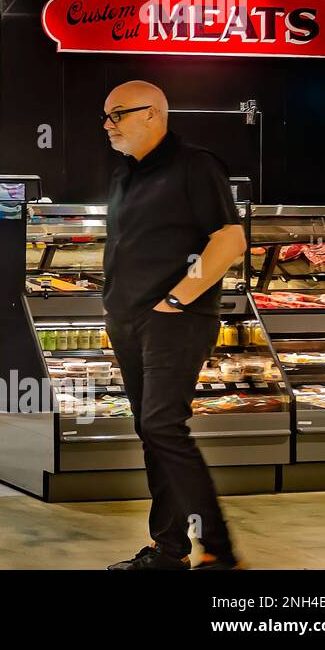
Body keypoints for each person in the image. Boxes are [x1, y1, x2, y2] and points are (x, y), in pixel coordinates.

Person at [100, 80, 247, 571]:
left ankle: (218, 548)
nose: (108, 124)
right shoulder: (126, 176)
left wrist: (176, 301)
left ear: (153, 114)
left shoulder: (195, 166)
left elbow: (229, 242)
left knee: (163, 424)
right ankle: (168, 550)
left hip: (175, 319)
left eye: (117, 114)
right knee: (152, 431)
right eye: (106, 116)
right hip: (129, 320)